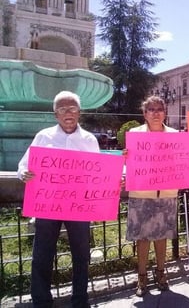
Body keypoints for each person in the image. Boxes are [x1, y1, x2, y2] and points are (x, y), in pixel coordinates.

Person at [17, 91, 100, 308]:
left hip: (79, 207)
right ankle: (41, 301)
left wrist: (110, 183)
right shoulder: (43, 136)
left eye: (72, 108)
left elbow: (99, 173)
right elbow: (24, 165)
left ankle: (80, 301)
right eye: (63, 109)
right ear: (56, 114)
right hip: (48, 206)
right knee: (42, 256)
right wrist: (24, 174)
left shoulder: (89, 140)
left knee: (81, 256)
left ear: (79, 113)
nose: (68, 113)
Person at [125, 96, 179, 296]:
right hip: (141, 192)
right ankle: (141, 277)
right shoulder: (134, 134)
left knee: (162, 236)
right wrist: (125, 158)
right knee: (143, 237)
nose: (156, 112)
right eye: (151, 109)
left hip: (166, 192)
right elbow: (129, 163)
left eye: (159, 109)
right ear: (144, 113)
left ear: (165, 112)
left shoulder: (175, 135)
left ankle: (161, 272)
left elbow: (183, 161)